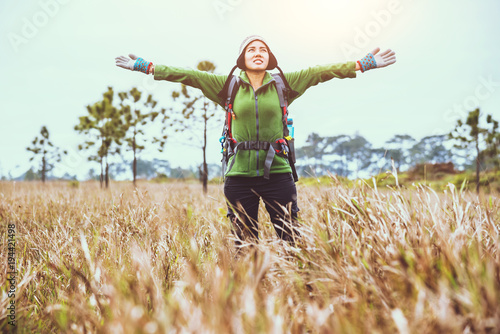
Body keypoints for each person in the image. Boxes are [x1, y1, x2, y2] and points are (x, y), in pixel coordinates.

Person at [115, 35, 396, 247]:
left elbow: (321, 71)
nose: (258, 53)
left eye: (263, 50)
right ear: (242, 58)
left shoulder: (284, 83)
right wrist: (148, 67)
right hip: (238, 176)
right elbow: (188, 75)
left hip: (278, 173)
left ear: (270, 57)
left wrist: (360, 64)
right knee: (245, 246)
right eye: (252, 49)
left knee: (291, 241)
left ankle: (300, 300)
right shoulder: (228, 86)